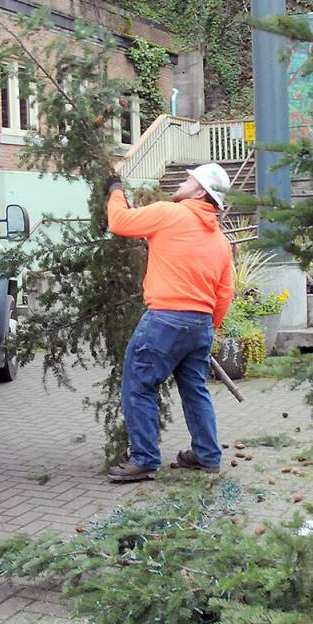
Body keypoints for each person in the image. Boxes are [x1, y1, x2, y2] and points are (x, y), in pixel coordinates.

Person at [105, 163, 235, 482]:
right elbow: (225, 293)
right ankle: (207, 456)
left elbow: (119, 221)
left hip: (165, 319)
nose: (181, 183)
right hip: (201, 324)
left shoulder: (168, 213)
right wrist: (207, 327)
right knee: (195, 390)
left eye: (189, 180)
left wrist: (115, 190)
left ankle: (144, 459)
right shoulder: (220, 240)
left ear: (201, 192)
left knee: (139, 385)